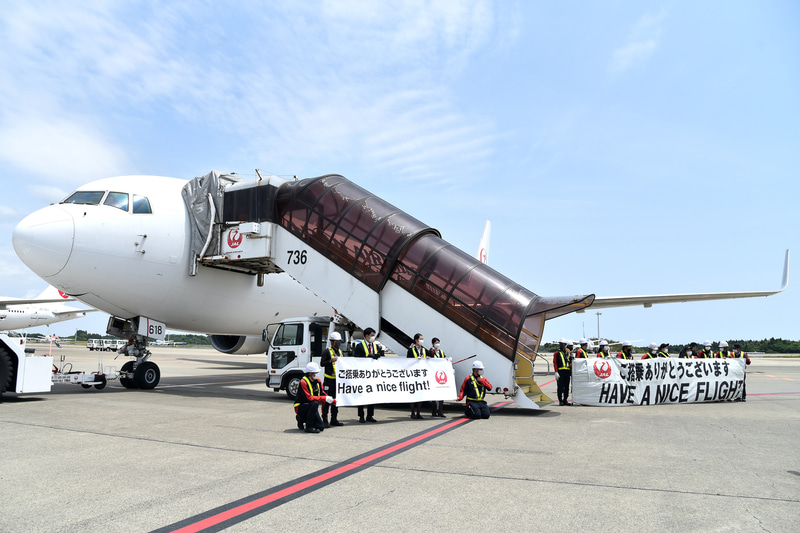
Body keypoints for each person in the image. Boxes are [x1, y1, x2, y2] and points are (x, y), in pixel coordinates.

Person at [293, 362, 334, 433]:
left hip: (312, 407)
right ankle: (308, 427)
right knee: (314, 403)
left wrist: (332, 400)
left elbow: (322, 393)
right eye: (316, 372)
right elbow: (309, 398)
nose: (317, 374)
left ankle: (302, 420)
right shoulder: (303, 382)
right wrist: (324, 399)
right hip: (301, 406)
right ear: (310, 374)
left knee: (321, 427)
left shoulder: (318, 381)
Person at [352, 327, 382, 423]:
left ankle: (370, 415)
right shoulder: (360, 346)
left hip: (372, 374)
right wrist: (367, 356)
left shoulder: (376, 346)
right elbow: (356, 358)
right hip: (362, 375)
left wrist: (379, 354)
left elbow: (381, 356)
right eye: (372, 335)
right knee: (361, 395)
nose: (373, 337)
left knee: (371, 395)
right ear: (366, 336)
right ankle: (361, 416)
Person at [320, 331, 344, 428]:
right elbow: (322, 363)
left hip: (337, 381)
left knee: (335, 401)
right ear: (332, 342)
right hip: (328, 381)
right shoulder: (327, 351)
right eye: (336, 341)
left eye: (339, 341)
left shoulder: (340, 352)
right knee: (327, 400)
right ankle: (325, 419)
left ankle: (334, 419)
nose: (338, 343)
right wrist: (331, 360)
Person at [407, 333, 428, 419]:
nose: (422, 340)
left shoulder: (424, 349)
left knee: (420, 395)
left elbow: (430, 356)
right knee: (413, 394)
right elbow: (407, 361)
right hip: (413, 375)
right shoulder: (411, 350)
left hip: (422, 375)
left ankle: (418, 412)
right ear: (416, 340)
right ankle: (412, 412)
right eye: (421, 339)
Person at [428, 337, 449, 417]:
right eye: (436, 342)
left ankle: (440, 411)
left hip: (440, 375)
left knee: (441, 395)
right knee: (434, 394)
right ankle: (433, 411)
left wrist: (446, 359)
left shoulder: (441, 352)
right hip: (433, 375)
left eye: (438, 342)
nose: (437, 344)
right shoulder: (430, 352)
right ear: (432, 344)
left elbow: (444, 359)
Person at [553, 338, 572, 406]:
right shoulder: (557, 353)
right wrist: (556, 372)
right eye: (560, 344)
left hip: (567, 371)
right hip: (560, 372)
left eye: (562, 344)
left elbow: (570, 361)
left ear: (565, 345)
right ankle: (560, 400)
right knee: (560, 387)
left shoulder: (568, 352)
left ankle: (565, 400)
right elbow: (555, 362)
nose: (561, 345)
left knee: (567, 387)